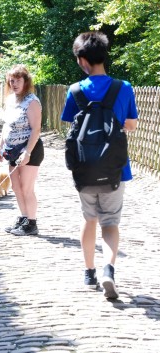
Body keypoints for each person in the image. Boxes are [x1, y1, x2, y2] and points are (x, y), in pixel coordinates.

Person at [61, 31, 138, 299]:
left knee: (89, 217)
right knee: (110, 222)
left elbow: (71, 124)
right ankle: (108, 269)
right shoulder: (124, 87)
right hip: (116, 169)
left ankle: (88, 272)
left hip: (84, 169)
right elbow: (130, 124)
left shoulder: (75, 90)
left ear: (82, 60)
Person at [0, 64, 44, 236]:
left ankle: (32, 222)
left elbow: (36, 129)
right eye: (11, 81)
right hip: (12, 150)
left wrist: (27, 152)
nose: (14, 84)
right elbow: (6, 125)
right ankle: (24, 217)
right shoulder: (10, 100)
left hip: (29, 150)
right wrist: (1, 146)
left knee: (26, 188)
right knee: (16, 187)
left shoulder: (32, 102)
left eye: (18, 80)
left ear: (26, 81)